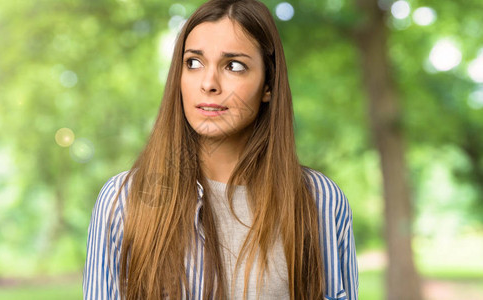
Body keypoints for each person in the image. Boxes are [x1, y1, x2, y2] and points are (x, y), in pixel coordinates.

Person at [83, 0, 358, 299]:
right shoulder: (123, 200)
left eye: (234, 66)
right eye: (194, 63)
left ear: (268, 85)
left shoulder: (320, 201)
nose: (209, 83)